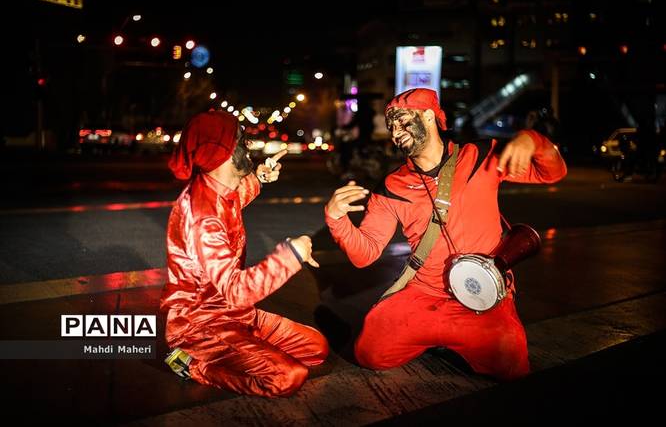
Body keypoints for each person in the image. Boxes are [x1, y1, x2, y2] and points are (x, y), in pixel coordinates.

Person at [324, 88, 567, 381]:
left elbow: (552, 173)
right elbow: (365, 254)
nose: (395, 133)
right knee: (370, 352)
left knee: (511, 364)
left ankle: (455, 338)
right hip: (425, 293)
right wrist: (336, 219)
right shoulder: (391, 187)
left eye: (402, 121)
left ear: (428, 116)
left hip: (483, 294)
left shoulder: (480, 156)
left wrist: (534, 140)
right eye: (391, 126)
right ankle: (440, 337)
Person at [160, 110, 328, 397]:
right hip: (201, 326)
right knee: (287, 377)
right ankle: (193, 365)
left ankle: (247, 348)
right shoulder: (203, 216)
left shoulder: (216, 190)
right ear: (222, 150)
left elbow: (233, 200)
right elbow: (236, 291)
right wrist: (290, 255)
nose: (247, 145)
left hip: (238, 315)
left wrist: (259, 177)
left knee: (317, 349)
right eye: (240, 139)